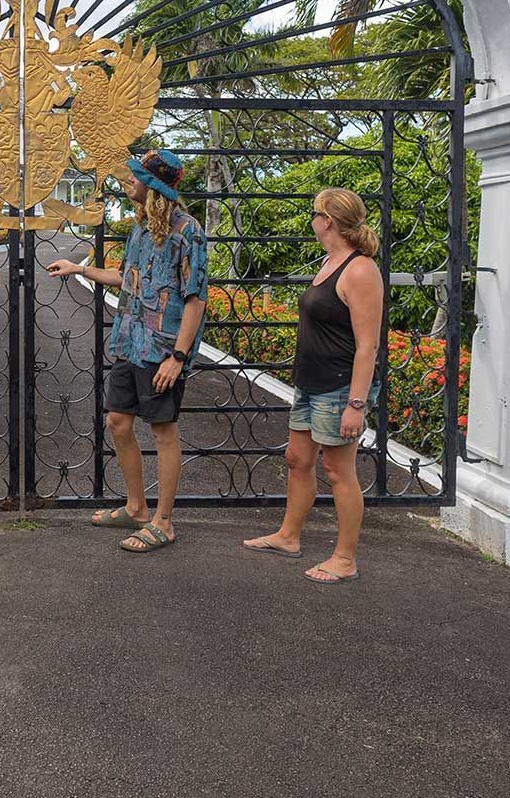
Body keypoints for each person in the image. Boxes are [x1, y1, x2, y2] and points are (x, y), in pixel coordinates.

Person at [47, 148, 207, 554]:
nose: (127, 182)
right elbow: (127, 277)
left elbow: (195, 299)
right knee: (118, 421)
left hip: (162, 350)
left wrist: (179, 356)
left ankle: (164, 522)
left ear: (152, 185)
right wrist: (80, 268)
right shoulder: (140, 229)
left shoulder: (187, 231)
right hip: (130, 343)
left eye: (135, 176)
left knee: (163, 432)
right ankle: (137, 508)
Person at [242, 187, 384, 583]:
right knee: (297, 460)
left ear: (329, 220)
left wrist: (356, 404)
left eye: (314, 213)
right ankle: (288, 536)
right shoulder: (330, 261)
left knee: (338, 471)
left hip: (340, 388)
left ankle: (345, 558)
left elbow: (368, 344)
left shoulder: (360, 269)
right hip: (310, 382)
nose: (311, 219)